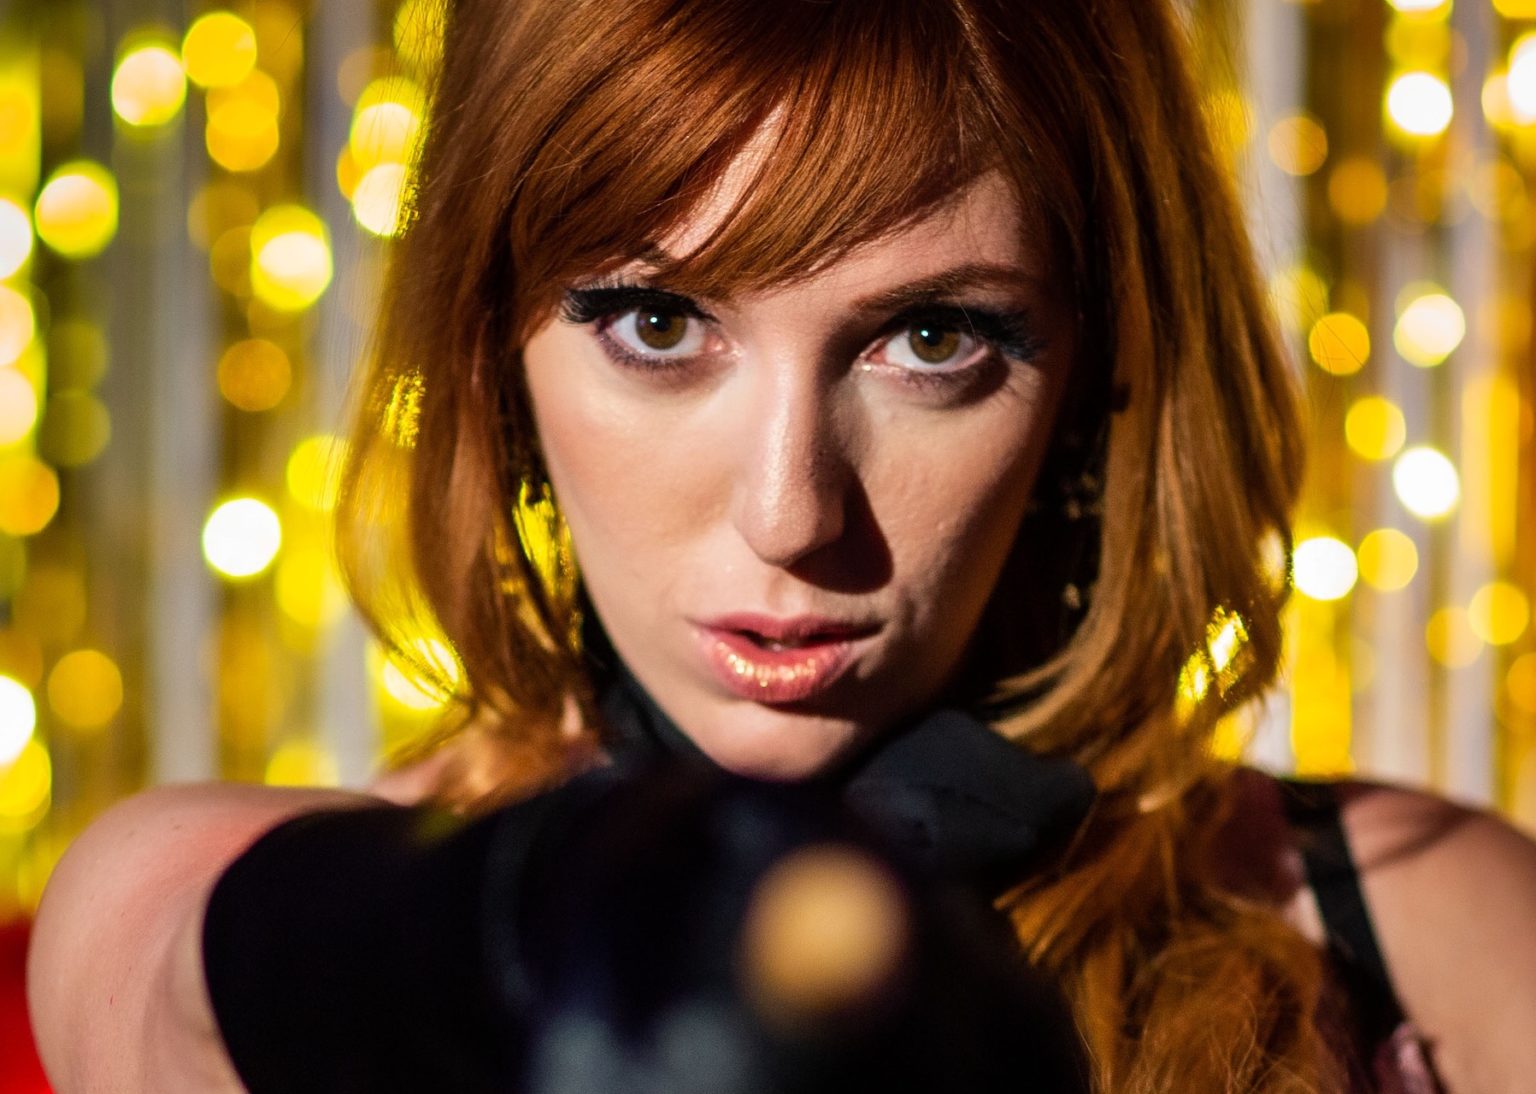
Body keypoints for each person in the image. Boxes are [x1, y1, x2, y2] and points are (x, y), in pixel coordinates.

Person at [25, 0, 1536, 1090]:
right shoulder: (174, 908)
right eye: (656, 323)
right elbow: (213, 955)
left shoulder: (1425, 924)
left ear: (1095, 374)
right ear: (493, 349)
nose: (790, 513)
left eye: (931, 338)